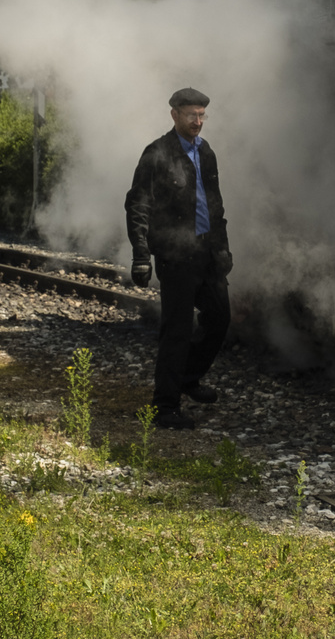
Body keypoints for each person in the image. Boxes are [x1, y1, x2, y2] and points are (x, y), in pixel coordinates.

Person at [124, 87, 233, 430]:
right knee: (177, 330)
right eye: (191, 115)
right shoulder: (157, 153)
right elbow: (137, 204)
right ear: (174, 115)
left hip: (206, 252)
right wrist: (141, 255)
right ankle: (165, 406)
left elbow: (215, 206)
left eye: (202, 115)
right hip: (174, 255)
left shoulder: (207, 152)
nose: (197, 121)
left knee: (219, 318)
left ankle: (188, 377)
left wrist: (222, 248)